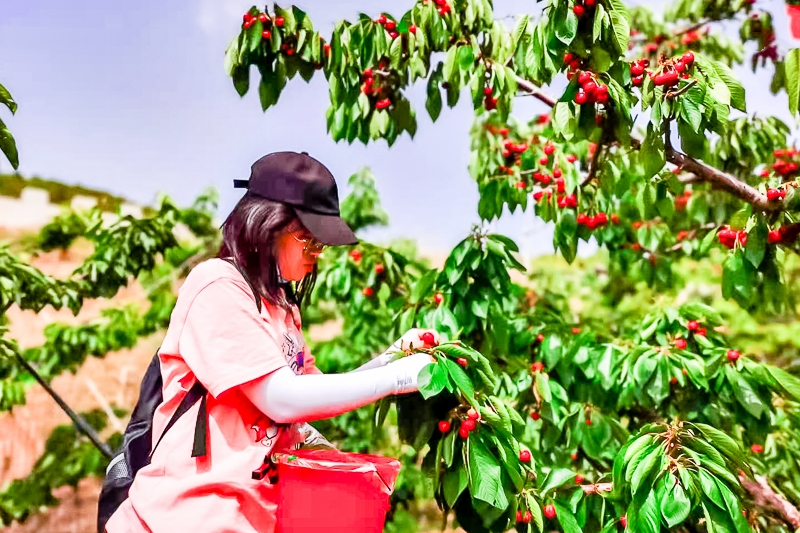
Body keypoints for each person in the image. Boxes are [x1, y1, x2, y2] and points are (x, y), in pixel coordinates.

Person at [104, 152, 438, 533]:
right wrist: (397, 377)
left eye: (321, 245)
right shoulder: (217, 286)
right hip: (183, 518)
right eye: (308, 240)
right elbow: (280, 398)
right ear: (265, 225)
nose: (316, 254)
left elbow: (311, 395)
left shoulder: (282, 308)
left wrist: (392, 357)